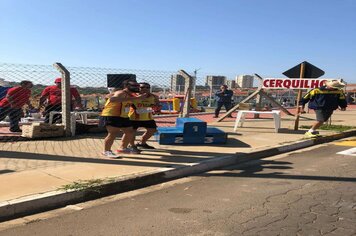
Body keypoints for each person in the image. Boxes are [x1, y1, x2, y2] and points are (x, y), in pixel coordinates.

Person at [100, 80, 148, 158]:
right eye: (134, 86)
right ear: (126, 87)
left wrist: (149, 108)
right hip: (112, 114)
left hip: (123, 116)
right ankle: (106, 151)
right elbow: (113, 99)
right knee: (113, 133)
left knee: (130, 132)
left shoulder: (132, 95)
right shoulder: (121, 93)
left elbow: (135, 105)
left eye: (137, 86)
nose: (137, 87)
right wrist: (136, 98)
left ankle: (123, 148)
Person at [128, 82, 160, 150]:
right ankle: (132, 145)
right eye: (142, 87)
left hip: (148, 117)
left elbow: (157, 106)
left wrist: (156, 109)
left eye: (147, 87)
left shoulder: (154, 96)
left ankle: (142, 143)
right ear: (138, 88)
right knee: (132, 132)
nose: (145, 89)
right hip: (134, 118)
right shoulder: (132, 96)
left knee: (152, 130)